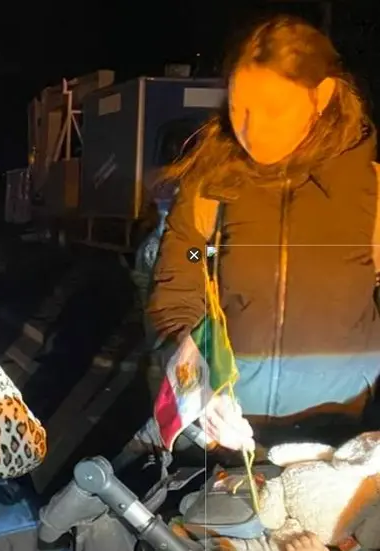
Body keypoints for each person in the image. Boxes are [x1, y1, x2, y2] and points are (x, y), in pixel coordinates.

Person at [147, 15, 380, 449]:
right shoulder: (211, 190)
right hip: (230, 438)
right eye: (239, 109)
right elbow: (189, 270)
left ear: (322, 96)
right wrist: (193, 377)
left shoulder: (372, 194)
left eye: (274, 109)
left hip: (342, 442)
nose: (252, 130)